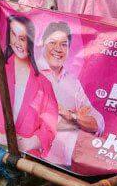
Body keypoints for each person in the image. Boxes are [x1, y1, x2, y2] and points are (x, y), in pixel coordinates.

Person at [0, 14, 58, 157]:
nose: (17, 43)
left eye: (23, 38)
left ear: (31, 42)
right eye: (14, 35)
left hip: (28, 156)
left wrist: (29, 142)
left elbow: (50, 125)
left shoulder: (44, 83)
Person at [38, 21, 104, 166]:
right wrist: (78, 121)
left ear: (68, 49)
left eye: (63, 44)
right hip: (42, 157)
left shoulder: (73, 82)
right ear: (42, 44)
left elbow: (98, 122)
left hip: (74, 157)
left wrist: (71, 116)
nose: (58, 49)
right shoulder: (32, 75)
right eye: (52, 43)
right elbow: (37, 124)